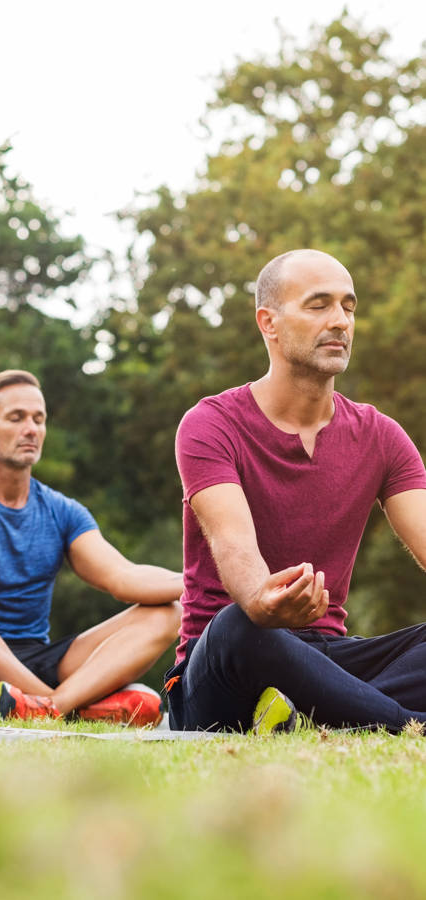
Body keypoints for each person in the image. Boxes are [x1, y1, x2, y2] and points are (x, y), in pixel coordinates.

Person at [168, 248, 426, 734]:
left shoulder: (382, 435)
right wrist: (262, 600)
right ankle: (406, 724)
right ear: (269, 322)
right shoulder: (210, 424)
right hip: (226, 668)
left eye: (348, 307)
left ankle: (320, 716)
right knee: (240, 626)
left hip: (326, 658)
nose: (340, 321)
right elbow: (235, 548)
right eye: (318, 305)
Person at [0, 370, 182, 724]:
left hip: (38, 661)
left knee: (168, 611)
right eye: (17, 418)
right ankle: (68, 706)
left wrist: (210, 579)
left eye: (39, 420)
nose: (32, 429)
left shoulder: (62, 510)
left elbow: (123, 577)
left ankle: (50, 706)